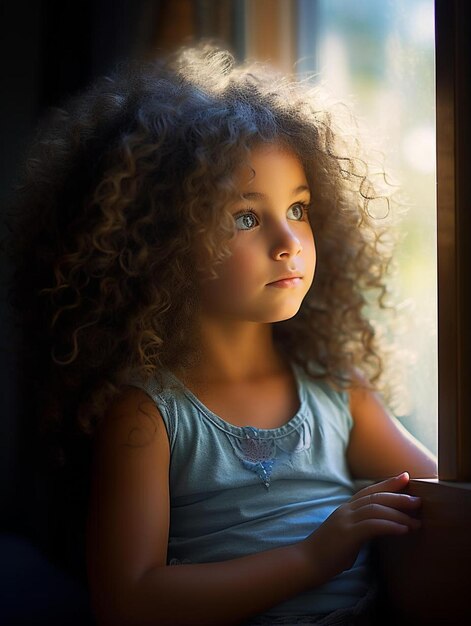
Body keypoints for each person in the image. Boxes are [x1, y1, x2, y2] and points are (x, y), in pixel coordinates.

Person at [5, 44, 437, 625]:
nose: (288, 241)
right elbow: (127, 601)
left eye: (300, 209)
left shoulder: (338, 390)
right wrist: (314, 557)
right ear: (162, 244)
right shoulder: (147, 415)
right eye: (246, 218)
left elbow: (441, 491)